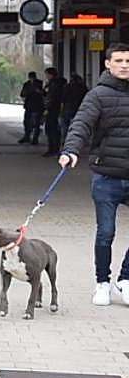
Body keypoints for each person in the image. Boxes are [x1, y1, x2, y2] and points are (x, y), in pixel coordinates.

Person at [59, 43, 129, 307]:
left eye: (128, 61)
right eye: (119, 61)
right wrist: (70, 151)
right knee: (106, 233)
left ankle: (125, 279)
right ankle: (102, 283)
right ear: (108, 64)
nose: (124, 65)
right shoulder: (97, 95)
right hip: (106, 176)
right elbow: (81, 124)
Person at [41, 67, 64, 156]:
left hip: (52, 110)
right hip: (55, 109)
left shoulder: (54, 84)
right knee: (53, 129)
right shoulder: (55, 84)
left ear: (51, 74)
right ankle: (54, 149)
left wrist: (47, 108)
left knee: (51, 129)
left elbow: (51, 98)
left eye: (47, 74)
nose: (46, 76)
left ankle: (52, 149)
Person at [18, 72, 44, 144]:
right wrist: (25, 94)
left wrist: (37, 91)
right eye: (31, 78)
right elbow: (22, 93)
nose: (32, 79)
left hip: (37, 106)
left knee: (36, 123)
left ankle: (35, 139)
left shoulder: (39, 83)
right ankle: (27, 136)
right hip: (28, 106)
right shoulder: (26, 84)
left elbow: (42, 92)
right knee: (26, 122)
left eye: (33, 78)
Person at [61, 73, 87, 141]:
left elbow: (63, 97)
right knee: (77, 124)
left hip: (68, 107)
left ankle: (65, 139)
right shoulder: (83, 87)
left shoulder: (68, 86)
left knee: (66, 124)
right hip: (79, 107)